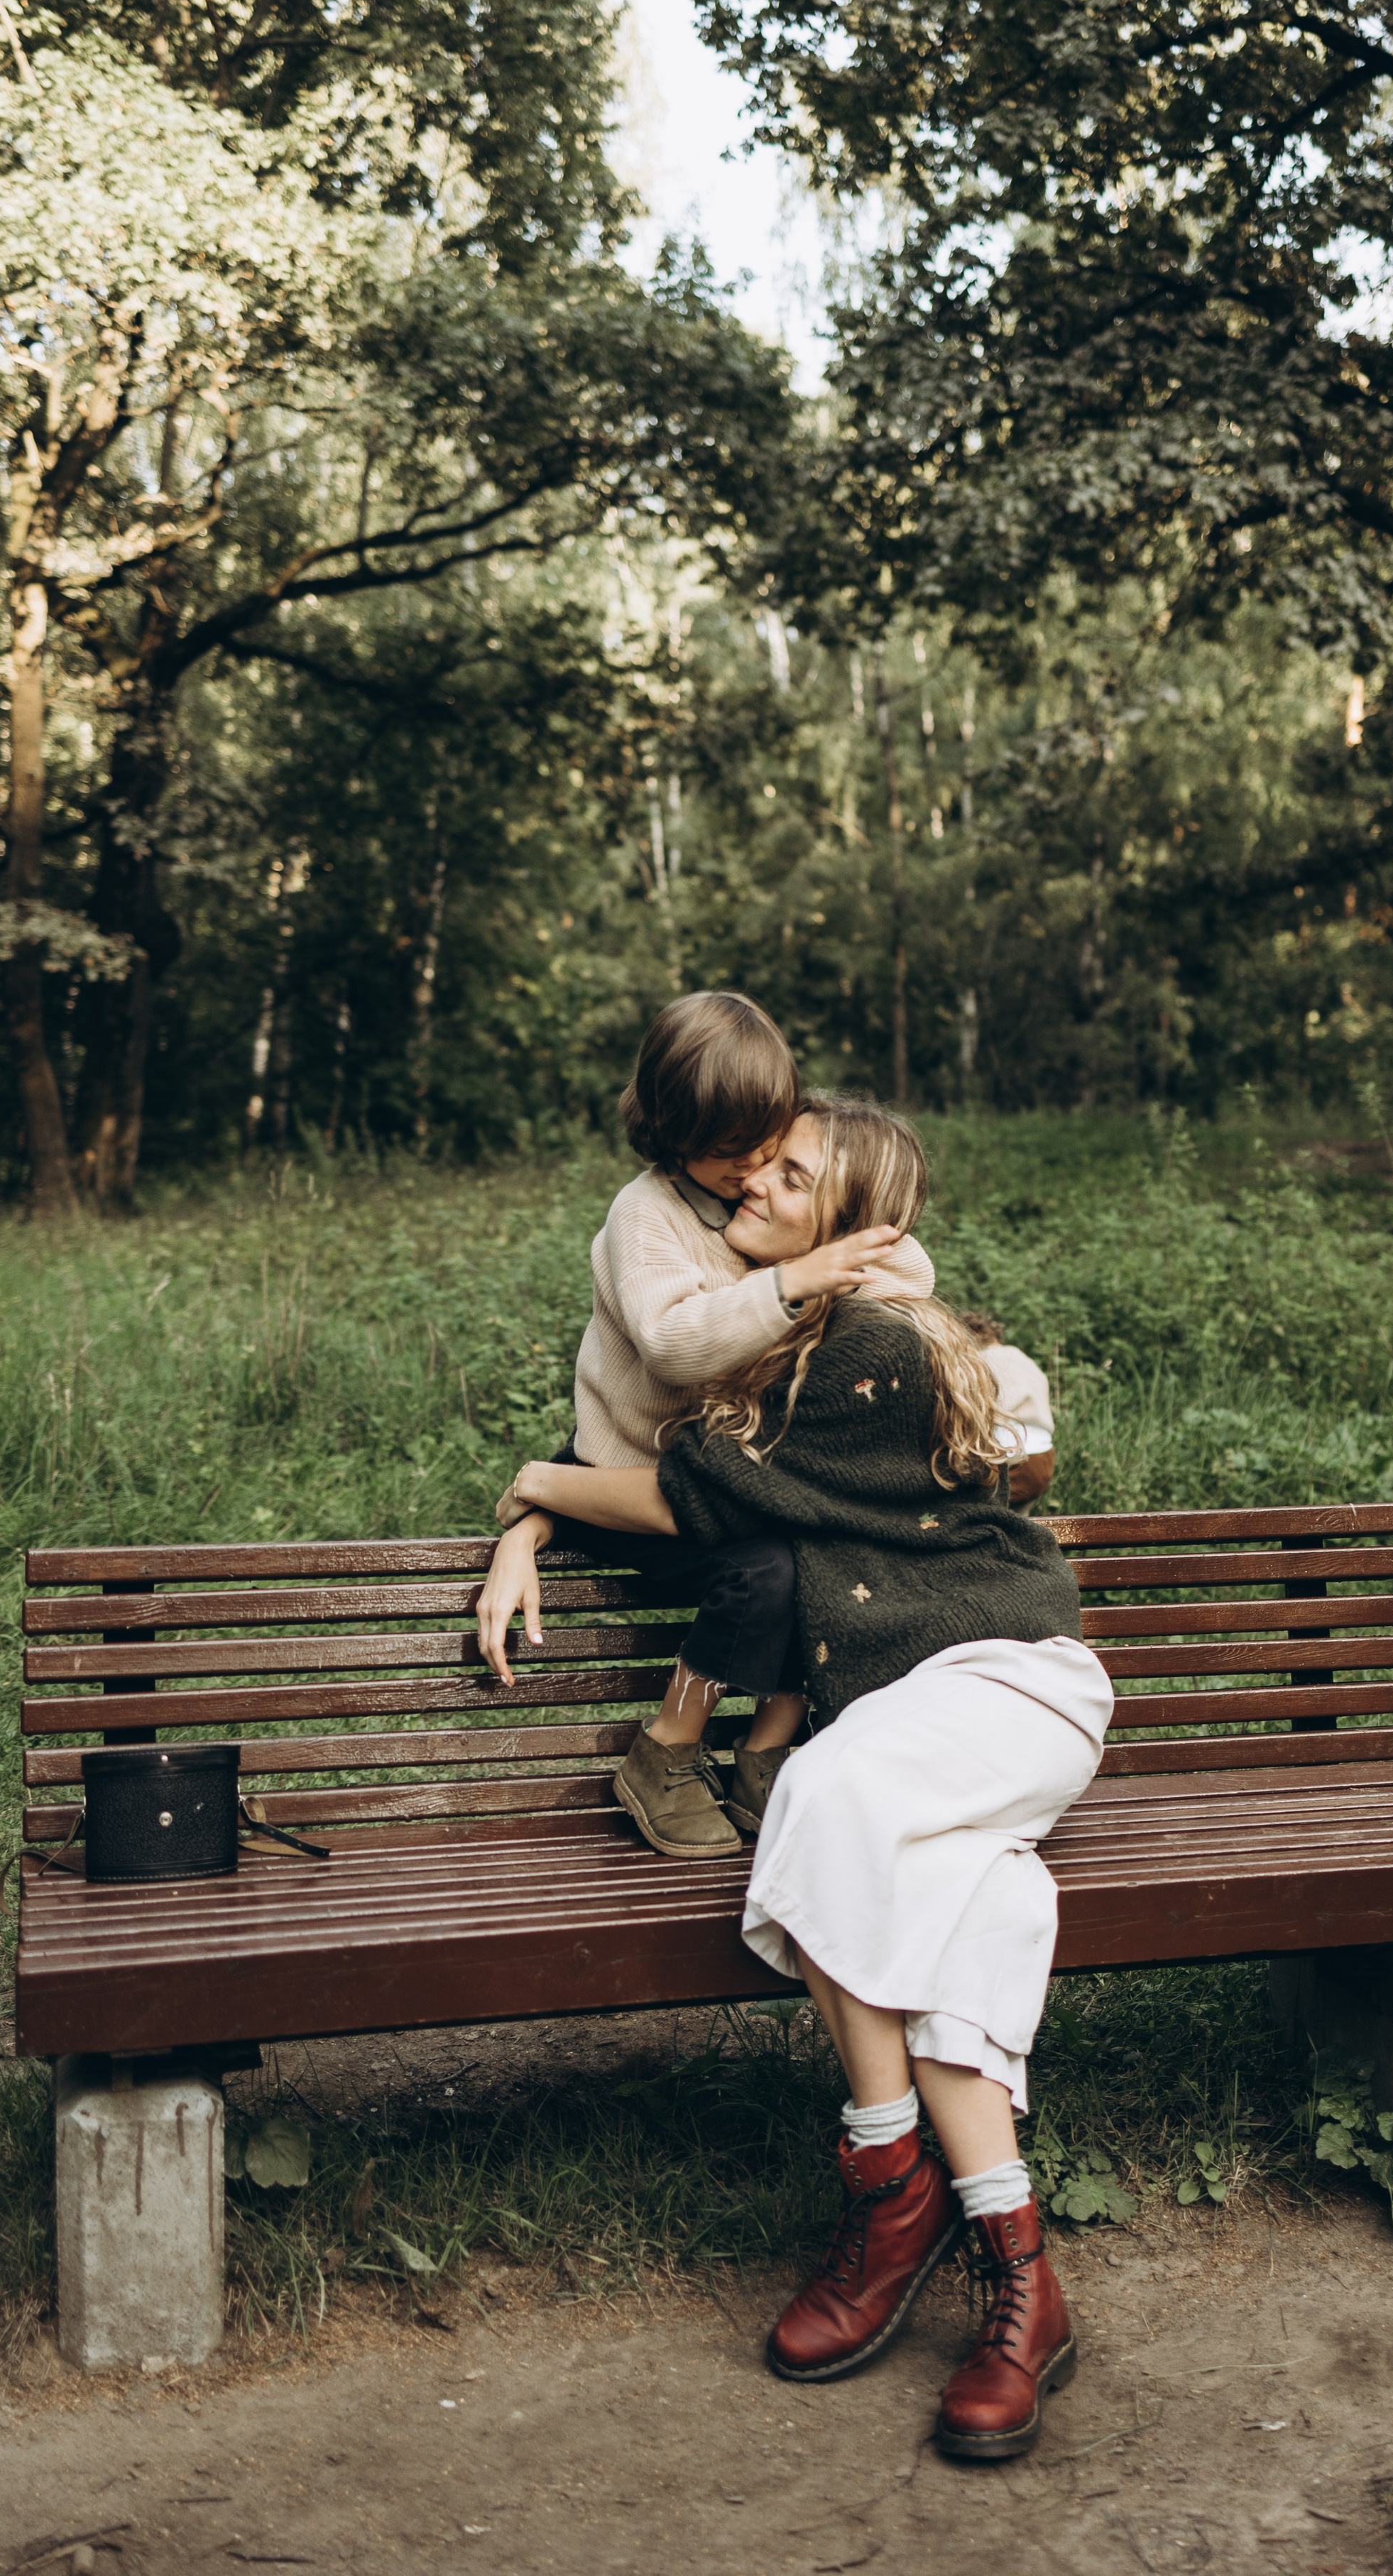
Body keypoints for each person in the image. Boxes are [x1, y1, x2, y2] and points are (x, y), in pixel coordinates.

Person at [481, 1096, 1113, 2464]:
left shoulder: (865, 1351)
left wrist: (529, 1488)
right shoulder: (820, 1338)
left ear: (853, 1226)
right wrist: (538, 1510)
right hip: (934, 1723)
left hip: (1008, 1685)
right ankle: (1020, 2273)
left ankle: (888, 2188)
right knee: (961, 1915)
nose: (751, 1183)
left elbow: (681, 1489)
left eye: (791, 1172)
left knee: (820, 1803)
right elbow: (685, 1470)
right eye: (756, 1164)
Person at [482, 993, 934, 1858]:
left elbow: (906, 1260)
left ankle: (768, 1753)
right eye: (734, 1154)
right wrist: (797, 1278)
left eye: (774, 1142)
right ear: (670, 1137)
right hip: (642, 1479)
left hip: (731, 1472)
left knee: (836, 1546)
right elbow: (673, 1345)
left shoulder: (769, 1186)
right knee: (771, 1567)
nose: (757, 1167)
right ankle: (668, 1749)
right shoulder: (646, 1217)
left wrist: (842, 1252)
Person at [957, 1310, 1056, 1506]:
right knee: (1019, 1514)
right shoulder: (1024, 1360)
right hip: (1042, 1458)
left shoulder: (976, 1361)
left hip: (1004, 1460)